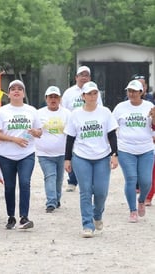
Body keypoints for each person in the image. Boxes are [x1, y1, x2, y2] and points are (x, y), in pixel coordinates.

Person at [64, 81, 118, 238]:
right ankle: (87, 224)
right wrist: (68, 159)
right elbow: (70, 138)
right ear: (83, 96)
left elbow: (112, 135)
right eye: (89, 93)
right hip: (81, 156)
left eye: (95, 93)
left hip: (102, 156)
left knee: (101, 192)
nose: (92, 96)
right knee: (85, 191)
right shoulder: (76, 114)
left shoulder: (105, 112)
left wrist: (115, 154)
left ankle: (97, 215)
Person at [0, 80, 42, 230]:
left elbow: (40, 132)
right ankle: (11, 216)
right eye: (13, 89)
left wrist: (35, 132)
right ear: (9, 94)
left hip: (27, 153)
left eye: (20, 89)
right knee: (10, 186)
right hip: (7, 155)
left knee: (25, 183)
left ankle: (24, 217)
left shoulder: (31, 110)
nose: (16, 91)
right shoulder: (2, 111)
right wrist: (13, 139)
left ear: (24, 93)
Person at [112, 80, 154, 223]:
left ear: (141, 92)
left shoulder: (149, 106)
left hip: (146, 149)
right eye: (129, 91)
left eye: (135, 91)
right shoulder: (120, 107)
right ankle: (132, 210)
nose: (132, 94)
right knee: (131, 178)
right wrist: (113, 151)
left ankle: (141, 200)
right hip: (126, 148)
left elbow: (153, 126)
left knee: (146, 181)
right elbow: (111, 127)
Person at [61, 65, 103, 192]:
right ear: (76, 77)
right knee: (72, 152)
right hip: (73, 126)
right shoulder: (69, 93)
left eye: (86, 75)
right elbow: (63, 109)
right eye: (81, 75)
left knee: (84, 152)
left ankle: (86, 180)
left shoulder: (95, 92)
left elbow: (100, 108)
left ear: (89, 77)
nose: (84, 77)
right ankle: (72, 180)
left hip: (89, 127)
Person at [35, 86, 71, 213]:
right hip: (44, 153)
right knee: (50, 176)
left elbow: (72, 132)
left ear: (60, 99)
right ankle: (51, 201)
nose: (53, 99)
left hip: (62, 152)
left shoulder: (67, 113)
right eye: (51, 97)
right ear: (46, 99)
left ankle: (56, 198)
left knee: (59, 179)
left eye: (56, 97)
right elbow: (34, 130)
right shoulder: (39, 113)